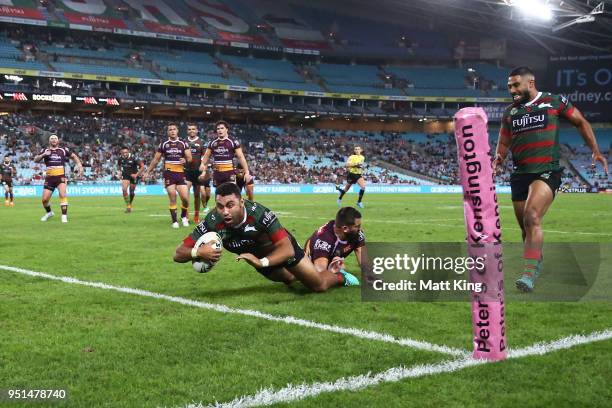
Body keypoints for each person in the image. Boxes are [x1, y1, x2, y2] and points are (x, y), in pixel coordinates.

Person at [494, 66, 608, 292]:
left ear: (530, 83)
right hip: (519, 174)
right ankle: (536, 259)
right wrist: (498, 158)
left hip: (546, 171)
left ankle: (528, 274)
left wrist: (595, 150)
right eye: (509, 87)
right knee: (526, 229)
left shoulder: (554, 101)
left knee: (531, 215)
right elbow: (504, 141)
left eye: (516, 85)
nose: (512, 90)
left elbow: (581, 122)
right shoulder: (510, 113)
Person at [173, 182, 359, 291]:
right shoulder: (213, 221)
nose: (225, 211)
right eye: (220, 206)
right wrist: (198, 252)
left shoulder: (260, 214)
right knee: (290, 280)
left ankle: (339, 276)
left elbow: (285, 248)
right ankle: (311, 265)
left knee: (317, 285)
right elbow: (178, 253)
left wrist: (260, 262)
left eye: (230, 205)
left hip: (282, 251)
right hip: (259, 259)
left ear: (242, 202)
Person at [143, 123, 193, 228]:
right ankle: (174, 221)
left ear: (177, 131)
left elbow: (189, 158)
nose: (172, 131)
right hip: (169, 173)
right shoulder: (164, 144)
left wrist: (185, 160)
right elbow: (156, 160)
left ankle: (184, 216)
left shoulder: (183, 143)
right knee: (172, 196)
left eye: (174, 129)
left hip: (180, 173)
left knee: (185, 198)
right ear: (168, 132)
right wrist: (148, 172)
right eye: (170, 129)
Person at [33, 134, 84, 223]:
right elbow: (35, 160)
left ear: (58, 141)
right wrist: (44, 154)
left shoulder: (63, 150)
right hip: (49, 178)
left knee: (62, 195)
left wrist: (79, 165)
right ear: (49, 141)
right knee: (44, 200)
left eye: (55, 138)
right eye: (51, 138)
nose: (53, 140)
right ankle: (49, 213)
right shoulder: (45, 150)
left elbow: (74, 156)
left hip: (60, 177)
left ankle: (64, 216)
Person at [304, 207, 367, 278]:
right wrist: (336, 275)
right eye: (357, 226)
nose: (360, 229)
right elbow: (319, 274)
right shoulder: (324, 240)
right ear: (345, 228)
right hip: (312, 261)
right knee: (292, 277)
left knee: (341, 268)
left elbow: (362, 256)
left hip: (330, 259)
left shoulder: (357, 234)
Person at [198, 121, 250, 187]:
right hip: (217, 173)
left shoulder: (233, 142)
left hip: (229, 172)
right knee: (219, 196)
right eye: (218, 129)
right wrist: (202, 164)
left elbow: (241, 157)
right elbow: (206, 155)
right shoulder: (212, 143)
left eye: (222, 128)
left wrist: (247, 171)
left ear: (226, 129)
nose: (220, 130)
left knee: (231, 194)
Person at [183, 123, 207, 223]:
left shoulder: (201, 142)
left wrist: (203, 171)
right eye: (189, 129)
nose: (191, 131)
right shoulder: (183, 142)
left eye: (193, 129)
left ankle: (196, 214)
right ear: (187, 131)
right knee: (185, 194)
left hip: (197, 171)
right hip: (186, 171)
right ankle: (186, 214)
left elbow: (205, 157)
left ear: (197, 131)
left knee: (197, 195)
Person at [116, 146, 144, 213]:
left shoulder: (134, 158)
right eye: (123, 153)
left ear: (128, 152)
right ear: (121, 153)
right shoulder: (120, 159)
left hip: (134, 176)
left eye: (126, 152)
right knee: (124, 189)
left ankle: (130, 204)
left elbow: (143, 167)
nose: (125, 154)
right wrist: (119, 173)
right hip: (125, 175)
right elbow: (119, 166)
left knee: (131, 192)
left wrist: (136, 175)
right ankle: (128, 206)